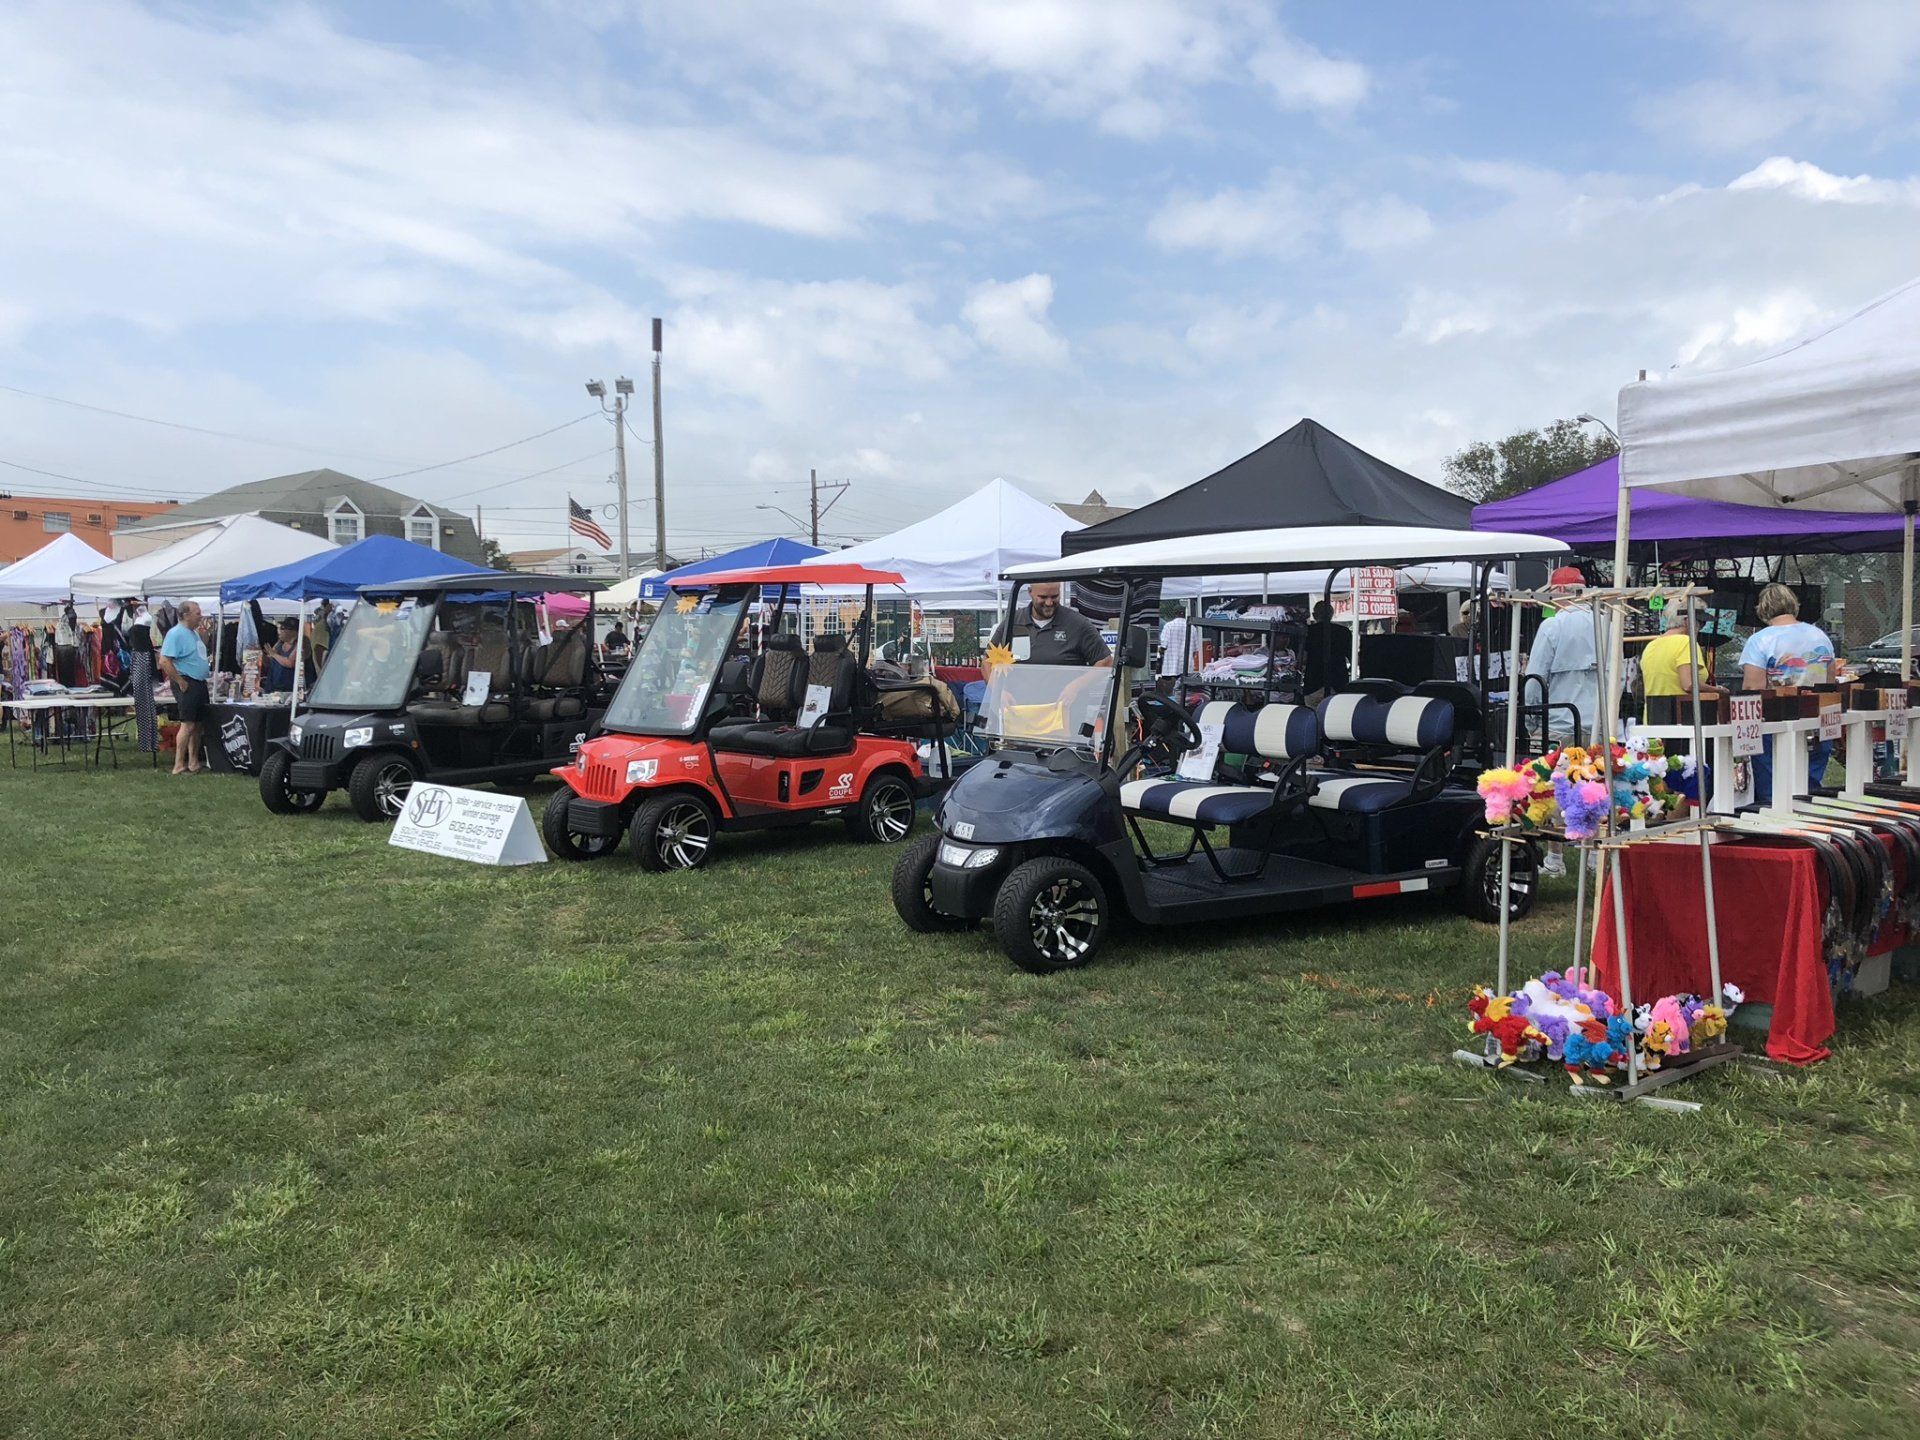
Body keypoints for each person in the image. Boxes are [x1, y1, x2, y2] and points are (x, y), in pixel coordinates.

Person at [1741, 582, 1836, 803]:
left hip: (1775, 721)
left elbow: (1753, 688)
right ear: (1794, 605)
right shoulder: (1820, 636)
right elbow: (1830, 681)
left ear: (1762, 609)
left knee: (1773, 788)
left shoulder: (1761, 640)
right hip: (1816, 718)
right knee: (1809, 784)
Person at [1525, 568, 1600, 743]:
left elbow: (1534, 681)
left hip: (1557, 728)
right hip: (1599, 728)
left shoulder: (1552, 625)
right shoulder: (1608, 624)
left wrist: (1532, 723)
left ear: (1559, 590)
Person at [989, 582, 1112, 667]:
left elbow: (1106, 662)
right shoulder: (1012, 622)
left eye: (1054, 596)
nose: (1049, 603)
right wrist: (999, 691)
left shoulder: (1077, 624)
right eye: (1043, 597)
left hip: (1064, 704)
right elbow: (989, 662)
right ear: (1030, 592)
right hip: (1020, 704)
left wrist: (1077, 686)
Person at [158, 599, 211, 774]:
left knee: (197, 725)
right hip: (187, 682)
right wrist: (180, 681)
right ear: (186, 615)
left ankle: (193, 762)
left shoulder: (193, 633)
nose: (201, 615)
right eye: (197, 613)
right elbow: (164, 661)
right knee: (187, 724)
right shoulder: (176, 634)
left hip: (199, 681)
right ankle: (178, 764)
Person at [1302, 600, 1351, 700]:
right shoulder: (1344, 632)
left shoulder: (1308, 632)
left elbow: (1303, 658)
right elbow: (1352, 657)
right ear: (1332, 614)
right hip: (1338, 683)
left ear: (1314, 615)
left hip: (1313, 683)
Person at [1156, 610, 1189, 696]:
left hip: (1170, 660)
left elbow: (1164, 643)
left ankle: (1169, 696)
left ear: (1175, 614)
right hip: (1185, 660)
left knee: (1168, 679)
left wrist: (1161, 651)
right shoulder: (1190, 626)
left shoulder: (1167, 625)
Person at [264, 619, 301, 693]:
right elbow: (269, 661)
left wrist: (274, 654)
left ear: (293, 631)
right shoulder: (280, 643)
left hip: (290, 689)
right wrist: (260, 654)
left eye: (282, 628)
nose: (279, 631)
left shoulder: (301, 643)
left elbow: (291, 663)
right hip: (273, 687)